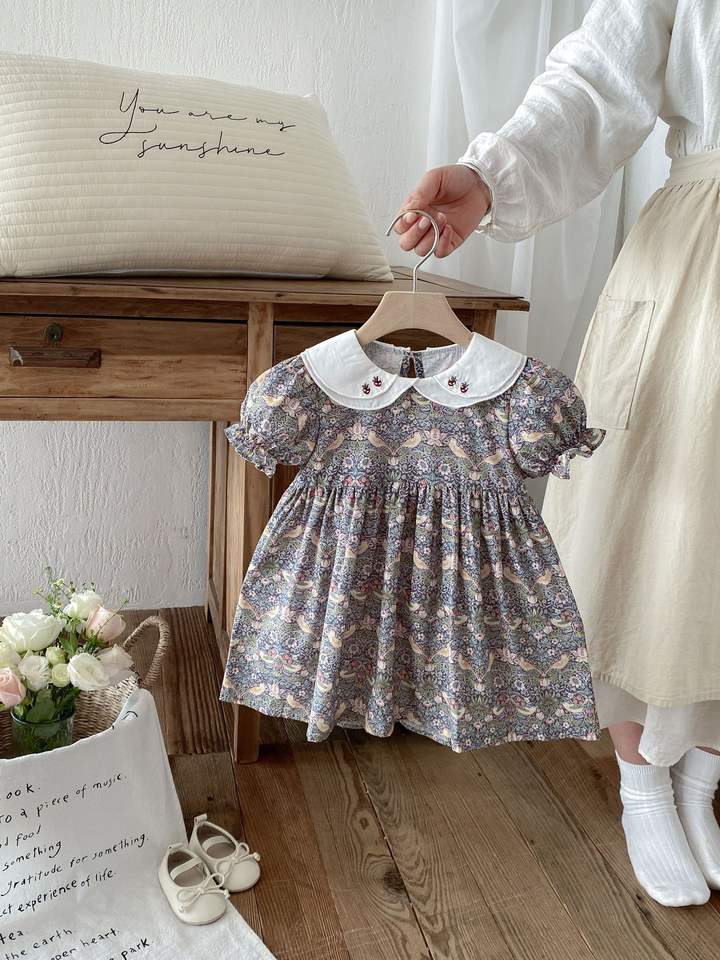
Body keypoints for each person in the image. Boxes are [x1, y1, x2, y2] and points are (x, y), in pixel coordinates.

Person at [395, 0, 720, 908]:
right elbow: (599, 74)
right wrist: (489, 176)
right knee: (646, 518)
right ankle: (642, 784)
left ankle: (701, 778)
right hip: (703, 252)